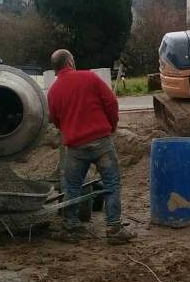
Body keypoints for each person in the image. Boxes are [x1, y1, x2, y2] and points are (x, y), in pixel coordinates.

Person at [46, 49, 133, 243]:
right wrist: (112, 125)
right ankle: (113, 229)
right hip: (101, 142)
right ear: (70, 62)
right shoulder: (89, 78)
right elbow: (111, 102)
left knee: (71, 186)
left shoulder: (53, 91)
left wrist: (69, 128)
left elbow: (55, 119)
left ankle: (71, 228)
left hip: (76, 147)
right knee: (111, 183)